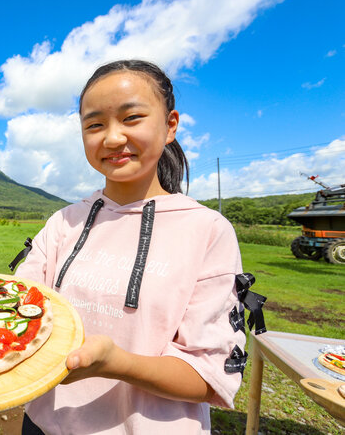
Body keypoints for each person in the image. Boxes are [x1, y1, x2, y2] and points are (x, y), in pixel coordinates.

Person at [14, 60, 258, 434]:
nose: (112, 138)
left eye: (131, 118)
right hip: (44, 424)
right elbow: (18, 314)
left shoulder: (207, 230)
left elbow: (208, 377)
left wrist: (117, 363)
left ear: (170, 125)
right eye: (95, 124)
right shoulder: (62, 222)